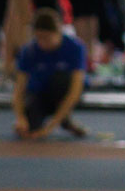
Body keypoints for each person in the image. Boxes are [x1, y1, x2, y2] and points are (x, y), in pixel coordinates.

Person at [12, 8, 87, 139]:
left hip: (61, 91)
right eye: (38, 38)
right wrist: (20, 118)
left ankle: (64, 118)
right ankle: (59, 120)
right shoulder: (29, 50)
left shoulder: (75, 48)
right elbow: (19, 89)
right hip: (39, 93)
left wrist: (50, 127)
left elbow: (75, 90)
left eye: (46, 38)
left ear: (58, 33)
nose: (42, 42)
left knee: (61, 80)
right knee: (30, 127)